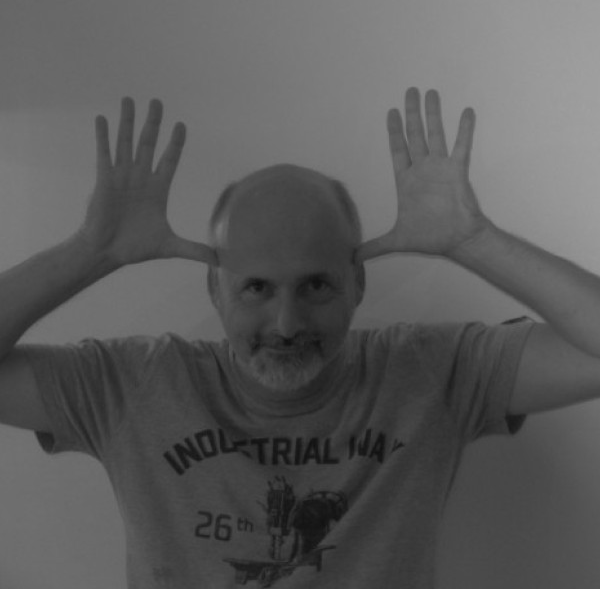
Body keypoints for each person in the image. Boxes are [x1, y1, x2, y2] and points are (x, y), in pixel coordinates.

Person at [1, 88, 600, 589]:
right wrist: (91, 252)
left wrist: (475, 241)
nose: (287, 324)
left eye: (315, 285)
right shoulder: (131, 387)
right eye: (257, 288)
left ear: (357, 283)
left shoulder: (434, 371)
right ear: (215, 289)